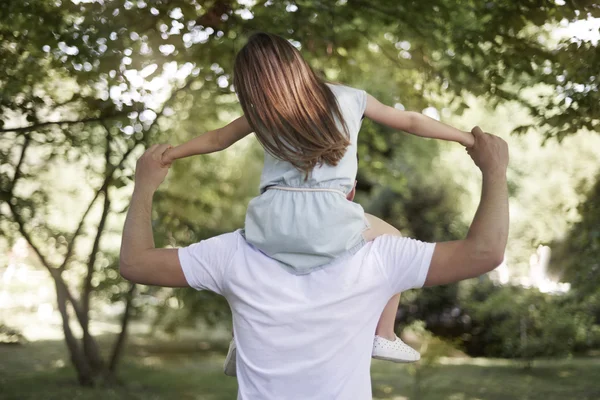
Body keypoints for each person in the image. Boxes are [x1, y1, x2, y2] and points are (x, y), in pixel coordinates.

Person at [119, 126, 509, 399]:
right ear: (351, 192)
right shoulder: (382, 258)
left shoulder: (232, 253)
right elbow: (485, 252)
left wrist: (145, 187)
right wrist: (494, 171)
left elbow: (136, 263)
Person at [158, 32, 476, 366]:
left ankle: (242, 337)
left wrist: (171, 154)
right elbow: (411, 120)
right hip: (330, 219)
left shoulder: (264, 112)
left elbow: (218, 138)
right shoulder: (351, 98)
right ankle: (384, 335)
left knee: (250, 261)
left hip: (271, 222)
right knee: (391, 237)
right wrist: (466, 137)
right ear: (296, 64)